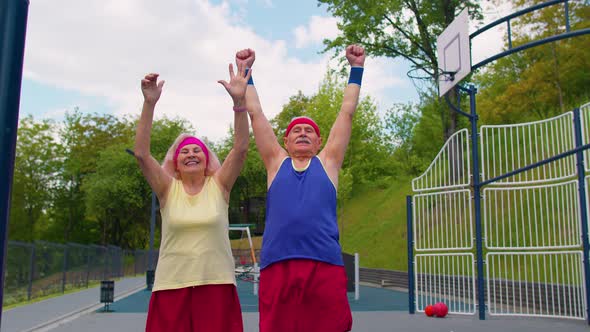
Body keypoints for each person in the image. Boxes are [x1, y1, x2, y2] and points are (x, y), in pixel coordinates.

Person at [237, 45, 365, 332]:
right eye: (297, 130)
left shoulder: (328, 163)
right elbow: (255, 114)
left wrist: (356, 68)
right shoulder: (276, 163)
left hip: (324, 264)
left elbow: (346, 113)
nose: (304, 133)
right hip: (278, 264)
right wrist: (246, 71)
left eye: (310, 131)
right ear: (285, 141)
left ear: (320, 143)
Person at [134, 62, 252, 331]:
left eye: (196, 150)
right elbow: (141, 154)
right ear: (176, 162)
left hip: (216, 285)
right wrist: (149, 103)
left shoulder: (219, 185)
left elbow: (242, 148)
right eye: (184, 152)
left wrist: (239, 102)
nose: (190, 154)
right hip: (171, 286)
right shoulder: (167, 189)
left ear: (206, 158)